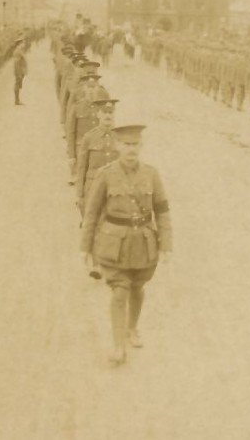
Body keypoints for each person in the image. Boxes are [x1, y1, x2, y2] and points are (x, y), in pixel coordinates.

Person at [79, 125, 173, 366]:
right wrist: (86, 247)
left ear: (141, 146)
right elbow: (91, 212)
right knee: (120, 291)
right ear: (118, 146)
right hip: (114, 244)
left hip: (143, 243)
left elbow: (162, 211)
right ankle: (118, 345)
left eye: (136, 144)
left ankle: (132, 327)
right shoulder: (106, 174)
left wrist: (166, 243)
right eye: (127, 145)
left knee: (137, 288)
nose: (131, 149)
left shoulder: (151, 174)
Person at [13, 38, 27, 105]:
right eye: (22, 43)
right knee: (17, 84)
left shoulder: (19, 50)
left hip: (20, 70)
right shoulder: (18, 51)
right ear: (19, 43)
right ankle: (17, 100)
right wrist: (19, 73)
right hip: (18, 70)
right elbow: (16, 63)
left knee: (18, 84)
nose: (24, 44)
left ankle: (17, 100)